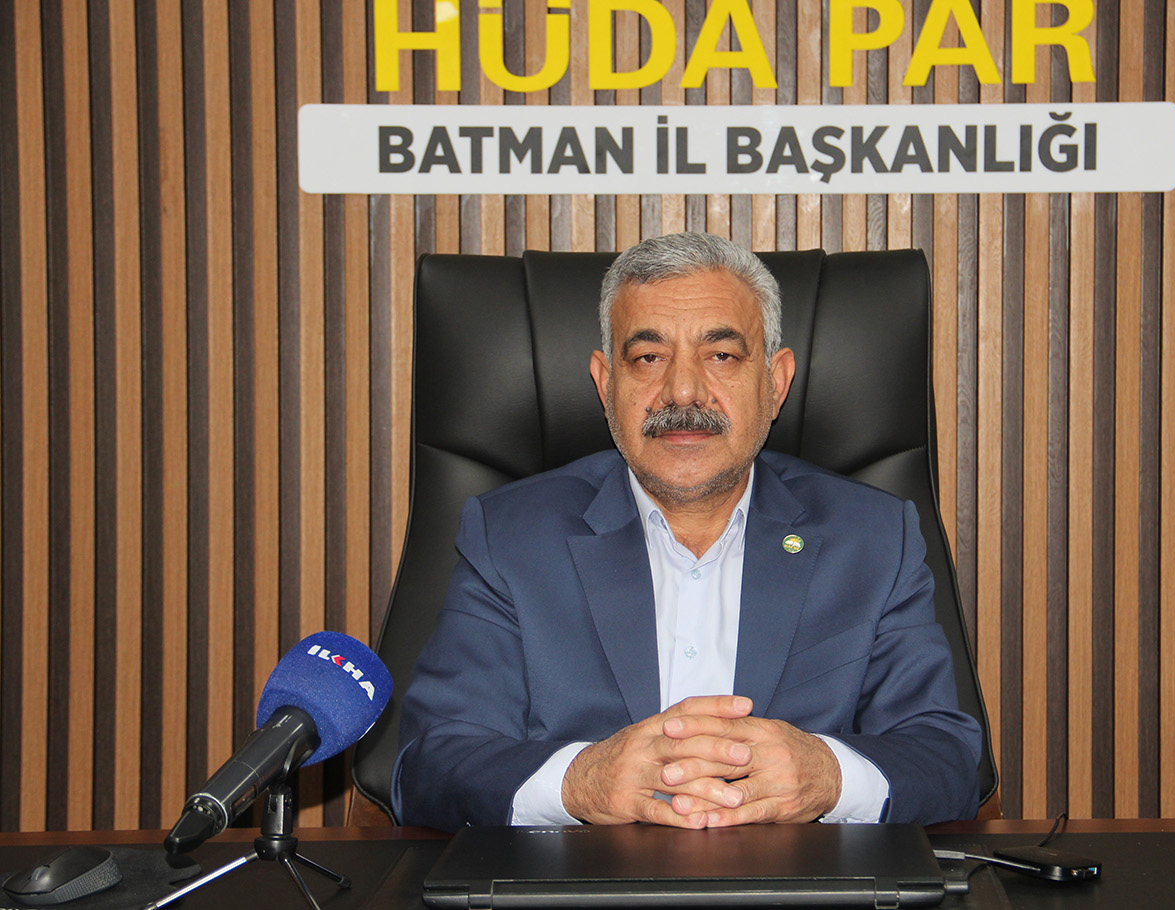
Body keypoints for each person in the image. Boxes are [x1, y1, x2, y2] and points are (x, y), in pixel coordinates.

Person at [393, 232, 981, 830]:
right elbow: (430, 764)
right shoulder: (510, 538)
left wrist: (827, 775)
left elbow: (947, 760)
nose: (682, 391)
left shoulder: (873, 539)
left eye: (720, 355)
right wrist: (582, 782)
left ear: (776, 382)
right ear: (605, 383)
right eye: (648, 358)